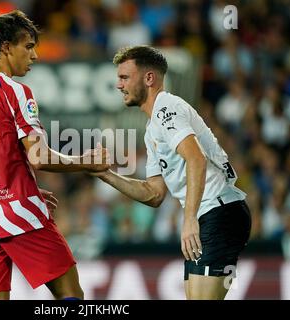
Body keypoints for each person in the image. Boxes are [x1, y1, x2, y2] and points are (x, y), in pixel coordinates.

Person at [0, 10, 110, 300]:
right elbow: (39, 157)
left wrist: (26, 186)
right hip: (19, 214)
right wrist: (88, 162)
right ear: (7, 47)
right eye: (29, 46)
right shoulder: (15, 92)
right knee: (70, 295)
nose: (34, 56)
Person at [91, 45, 251, 300]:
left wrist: (188, 221)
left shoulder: (167, 108)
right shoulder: (153, 126)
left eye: (124, 77)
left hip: (218, 213)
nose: (119, 85)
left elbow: (196, 160)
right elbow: (154, 194)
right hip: (211, 215)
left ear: (149, 78)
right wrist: (106, 174)